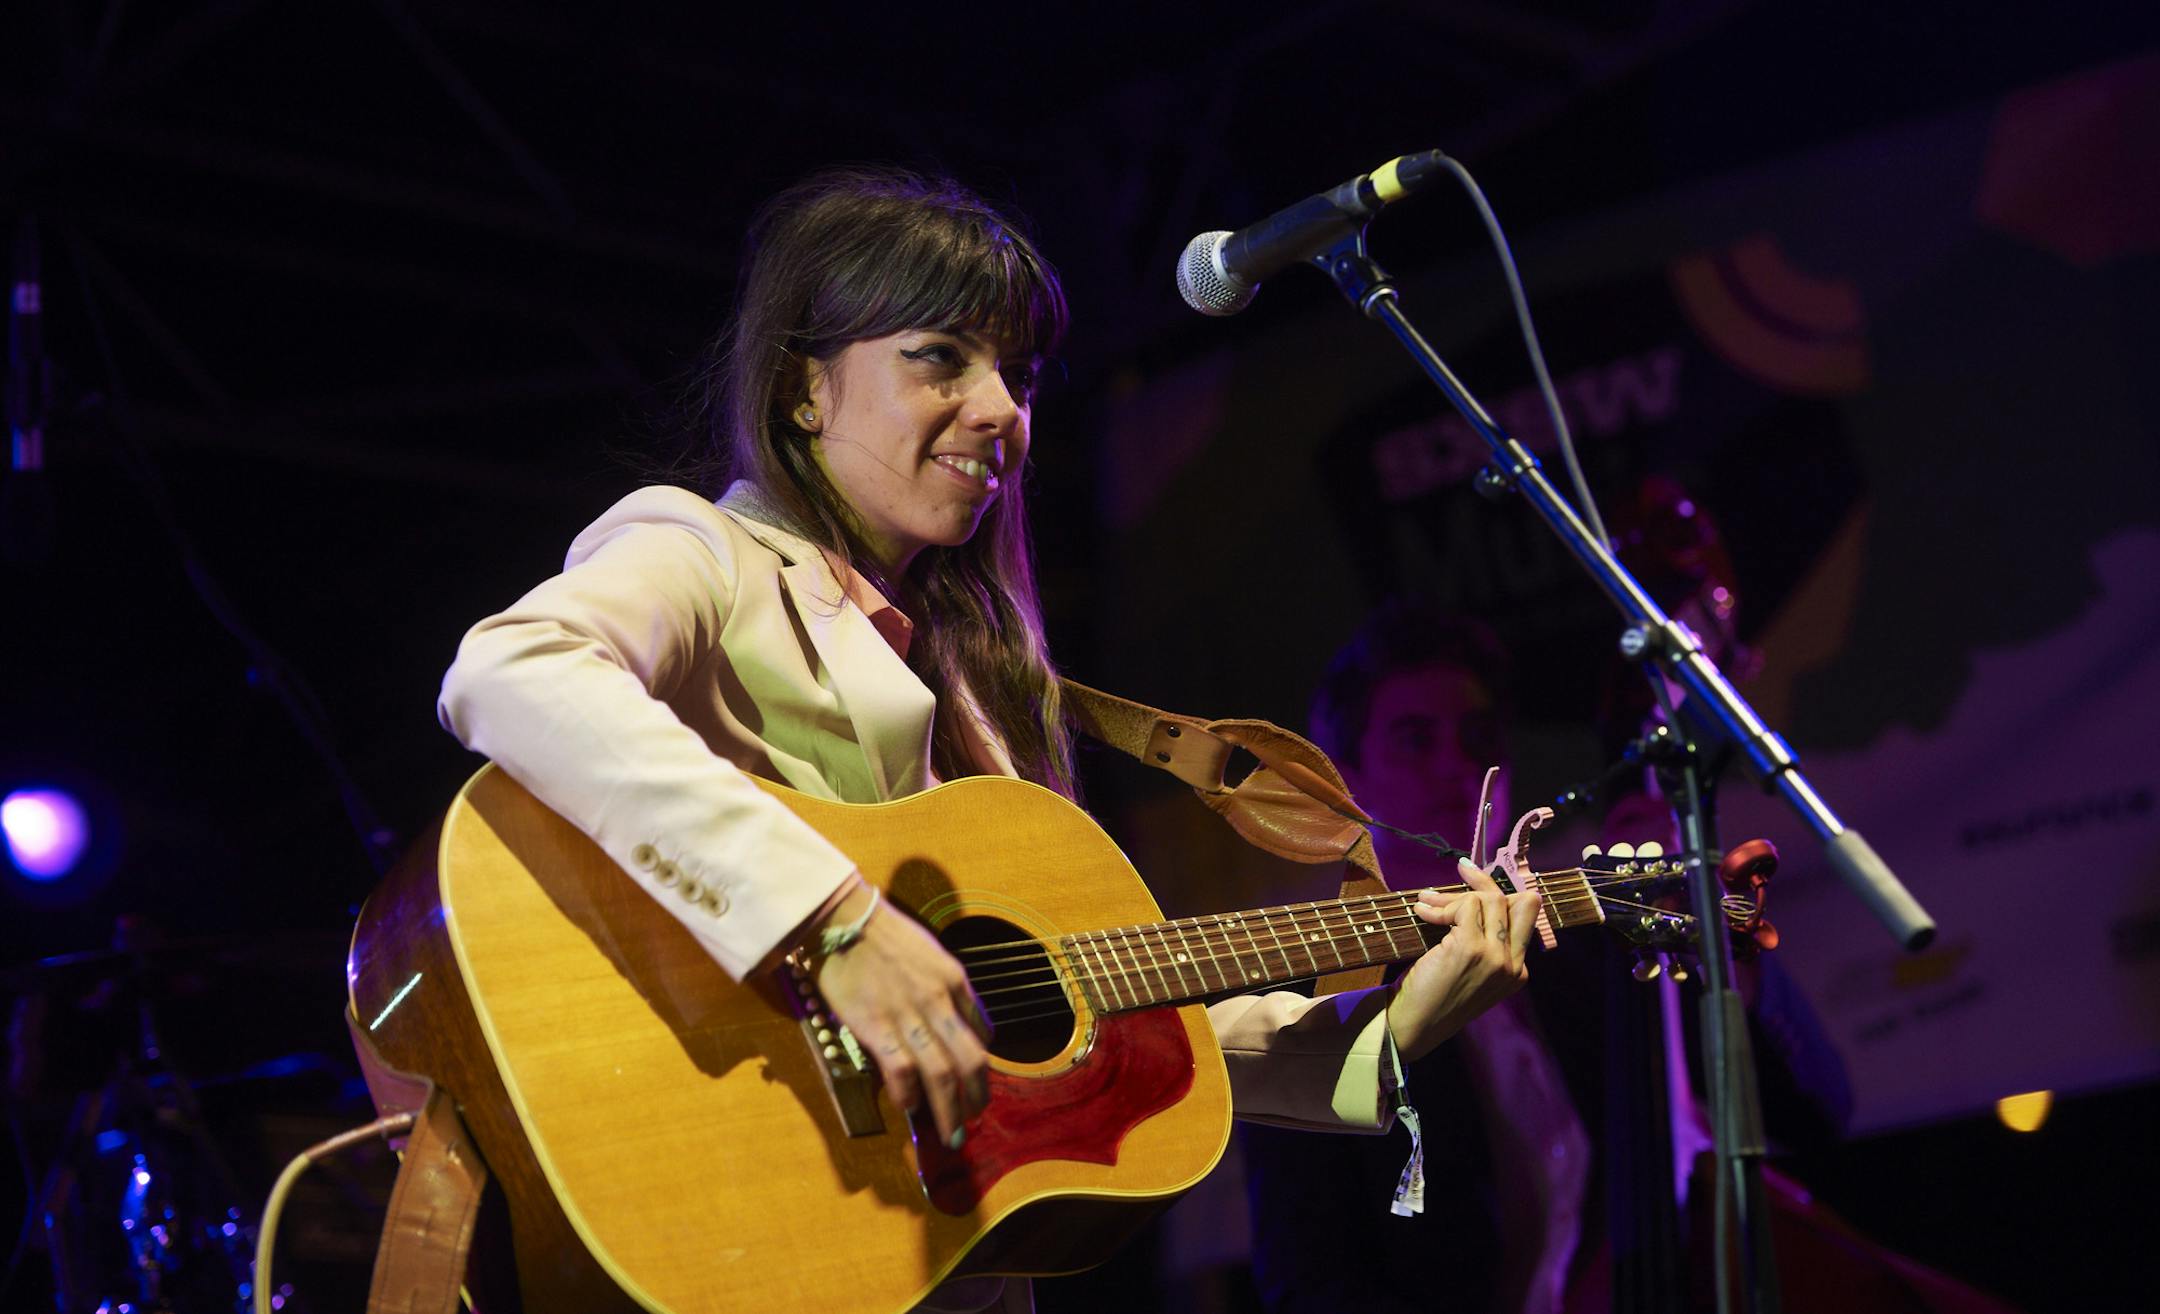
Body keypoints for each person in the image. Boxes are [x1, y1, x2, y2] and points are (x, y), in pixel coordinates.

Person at [435, 168, 1542, 1312]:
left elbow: (1095, 1017)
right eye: (941, 358)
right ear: (805, 387)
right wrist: (836, 922)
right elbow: (513, 671)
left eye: (1017, 373)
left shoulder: (974, 685)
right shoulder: (704, 553)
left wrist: (1391, 1028)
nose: (1004, 408)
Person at [1240, 603, 1854, 1314]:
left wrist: (1712, 940)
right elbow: (1307, 1283)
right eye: (1415, 740)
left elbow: (1819, 1111)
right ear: (1347, 781)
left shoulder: (1592, 953)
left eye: (1478, 738)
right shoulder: (1309, 1009)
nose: (1457, 767)